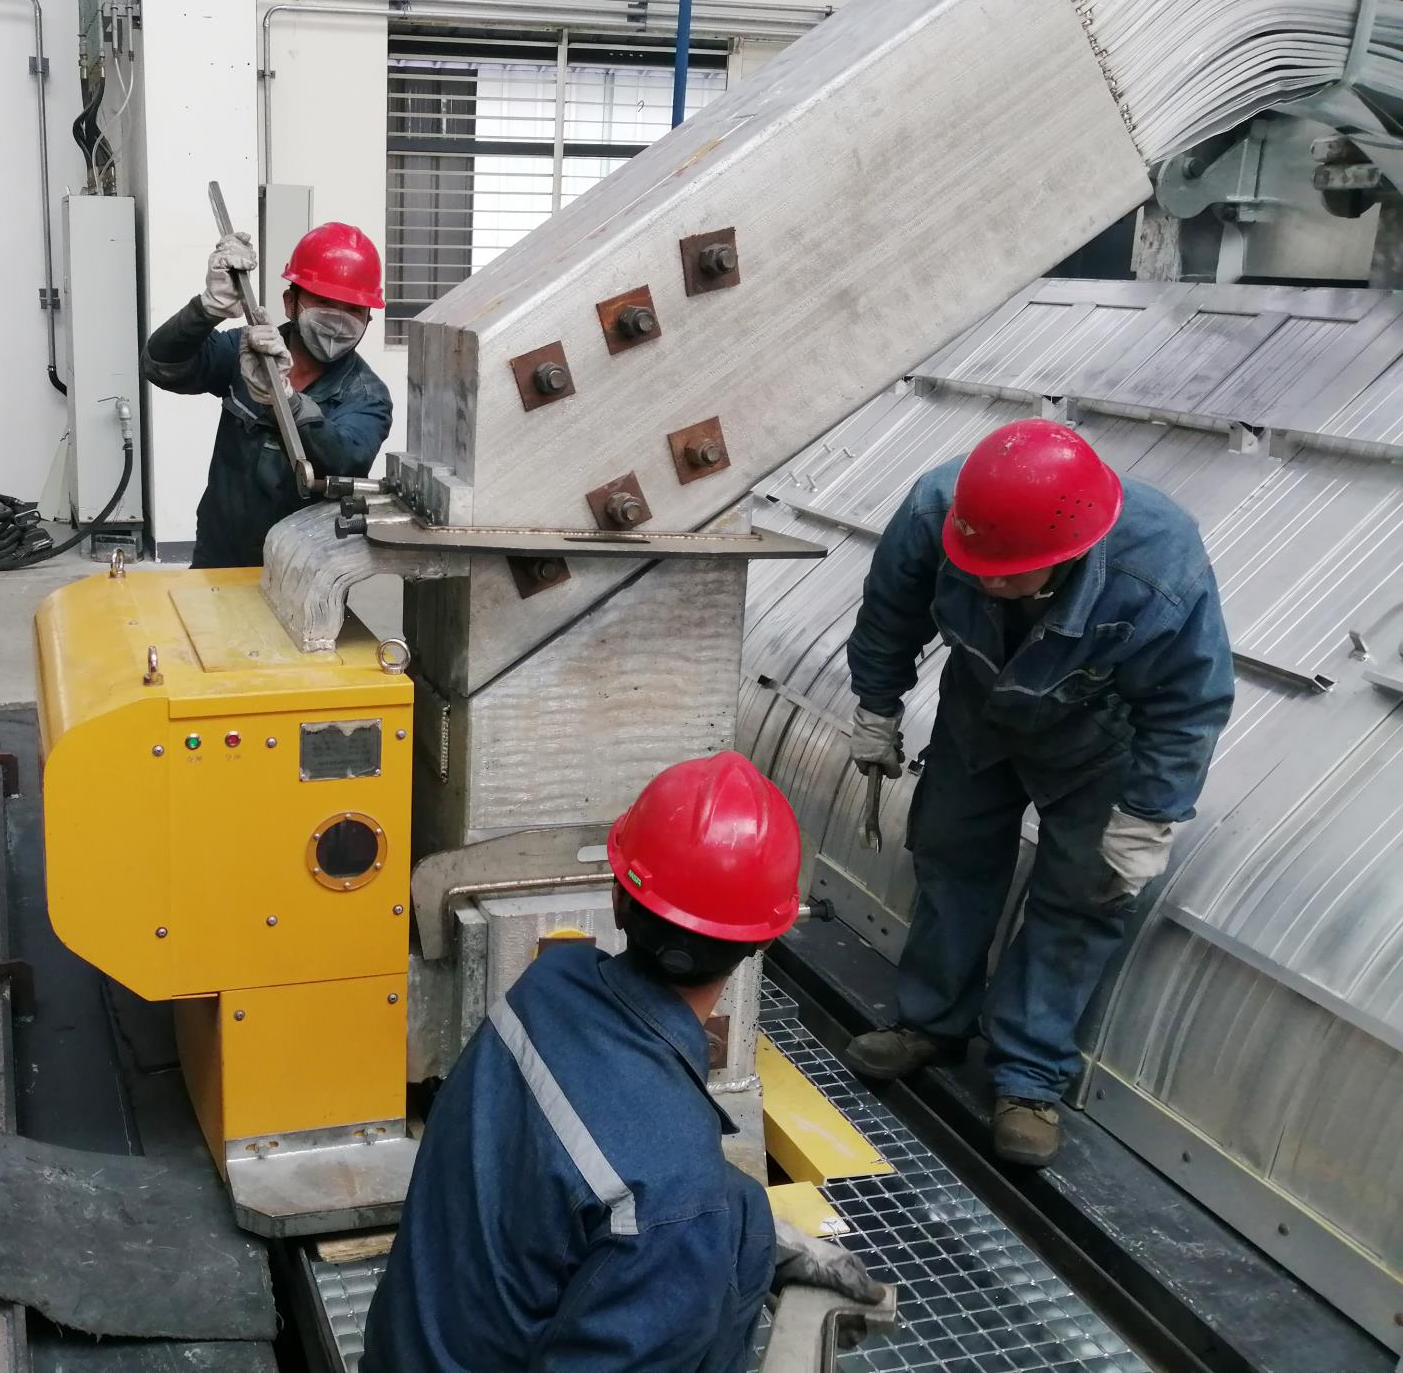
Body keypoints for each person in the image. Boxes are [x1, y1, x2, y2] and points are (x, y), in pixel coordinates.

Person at [362, 752, 886, 1372]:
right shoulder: (672, 1192)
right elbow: (655, 1186)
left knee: (732, 1208)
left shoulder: (541, 991)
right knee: (702, 1220)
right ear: (763, 941)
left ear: (617, 898)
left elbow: (610, 1169)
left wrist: (756, 1238)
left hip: (404, 1350)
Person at [842, 419, 1234, 1167]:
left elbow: (1189, 703)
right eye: (977, 568)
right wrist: (877, 707)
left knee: (1082, 897)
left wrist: (1147, 817)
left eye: (1006, 574)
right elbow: (889, 614)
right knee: (950, 855)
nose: (987, 582)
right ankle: (930, 1023)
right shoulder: (937, 510)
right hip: (979, 708)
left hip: (1098, 734)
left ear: (1071, 553)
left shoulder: (1159, 566)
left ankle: (1027, 1078)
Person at [140, 222, 393, 568]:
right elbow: (162, 366)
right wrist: (205, 310)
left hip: (305, 568)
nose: (338, 320)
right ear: (291, 302)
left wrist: (286, 400)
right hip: (219, 554)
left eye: (353, 310)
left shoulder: (367, 395)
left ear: (368, 319)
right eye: (323, 301)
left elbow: (344, 460)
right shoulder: (246, 350)